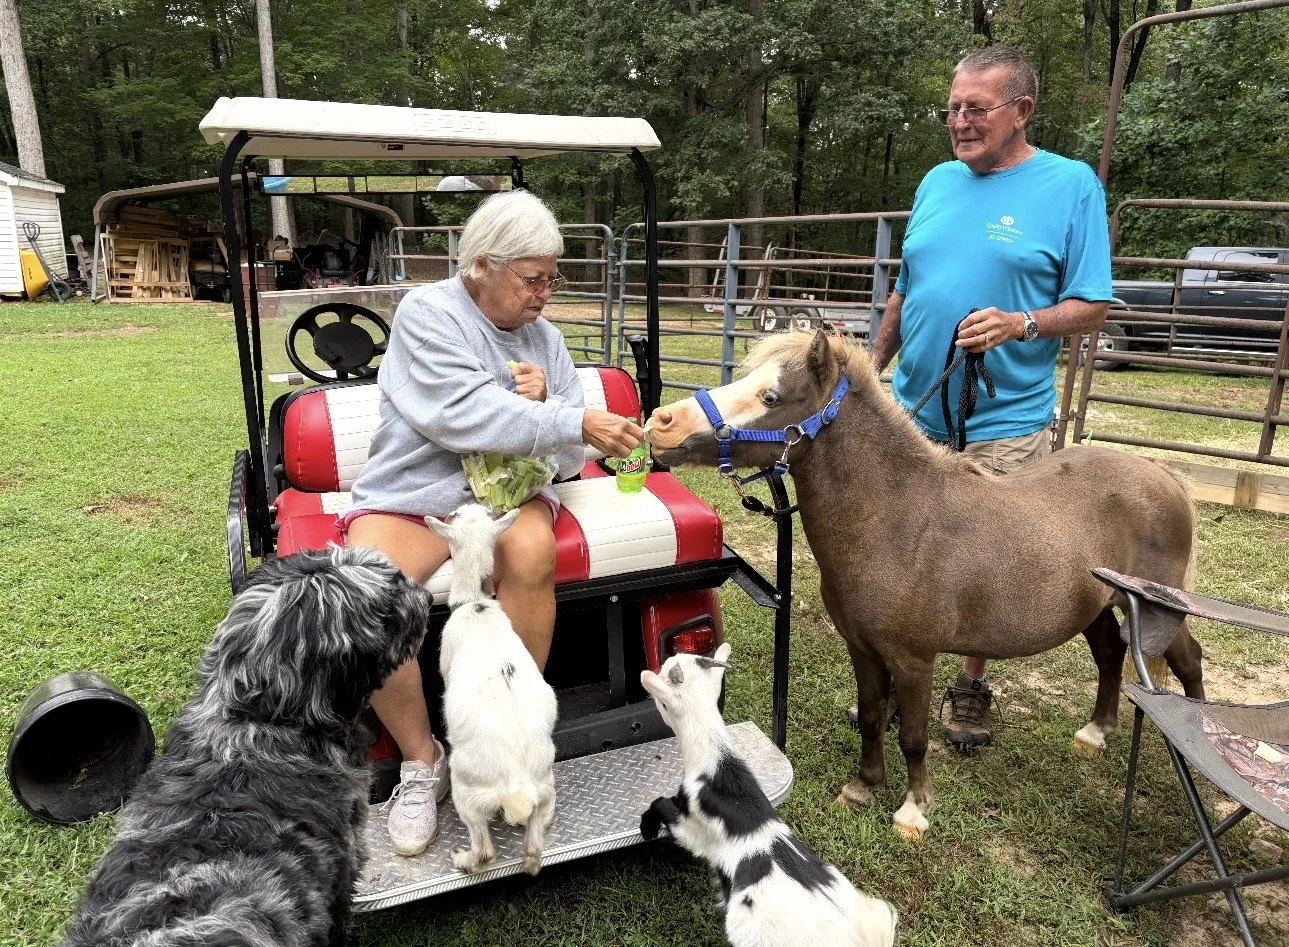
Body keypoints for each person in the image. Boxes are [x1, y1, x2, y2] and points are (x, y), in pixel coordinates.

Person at [339, 190, 643, 855]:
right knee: (368, 592)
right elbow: (459, 413)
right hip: (416, 495)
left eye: (550, 279)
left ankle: (513, 740)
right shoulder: (427, 312)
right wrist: (562, 415)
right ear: (480, 265)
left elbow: (567, 456)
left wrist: (557, 417)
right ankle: (423, 764)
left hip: (509, 497)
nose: (543, 294)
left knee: (533, 551)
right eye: (531, 278)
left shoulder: (547, 339)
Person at [866, 45, 1112, 750]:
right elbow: (905, 288)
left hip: (1003, 417)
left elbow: (1092, 303)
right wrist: (871, 364)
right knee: (900, 552)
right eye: (952, 109)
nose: (960, 122)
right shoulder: (938, 181)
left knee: (982, 556)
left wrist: (1020, 323)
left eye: (976, 108)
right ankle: (889, 678)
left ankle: (970, 684)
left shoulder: (1068, 187)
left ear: (1021, 111)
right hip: (916, 410)